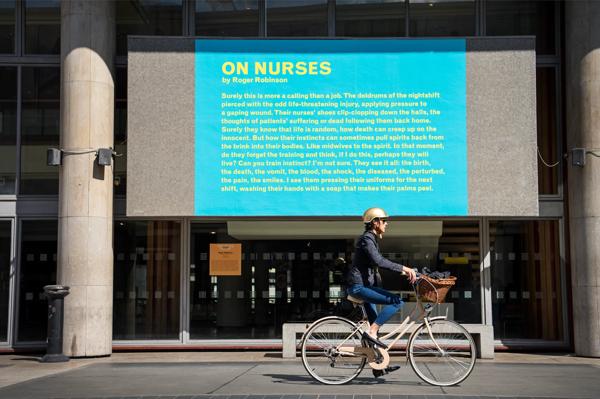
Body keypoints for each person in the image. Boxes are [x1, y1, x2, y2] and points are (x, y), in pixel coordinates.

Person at [346, 207, 417, 375]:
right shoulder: (367, 239)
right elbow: (379, 261)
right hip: (359, 287)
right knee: (396, 301)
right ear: (375, 222)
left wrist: (405, 271)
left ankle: (378, 367)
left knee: (374, 326)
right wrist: (405, 268)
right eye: (384, 221)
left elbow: (376, 263)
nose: (386, 224)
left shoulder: (372, 239)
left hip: (365, 286)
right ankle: (371, 332)